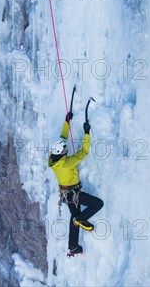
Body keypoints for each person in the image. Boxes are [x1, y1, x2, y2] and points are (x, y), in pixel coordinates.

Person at [48, 110, 104, 257]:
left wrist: (67, 122)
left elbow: (62, 138)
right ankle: (81, 219)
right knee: (98, 204)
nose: (67, 148)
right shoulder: (67, 163)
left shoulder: (53, 159)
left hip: (66, 195)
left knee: (74, 217)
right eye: (65, 148)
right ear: (62, 152)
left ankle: (73, 246)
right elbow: (84, 152)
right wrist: (86, 133)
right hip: (73, 194)